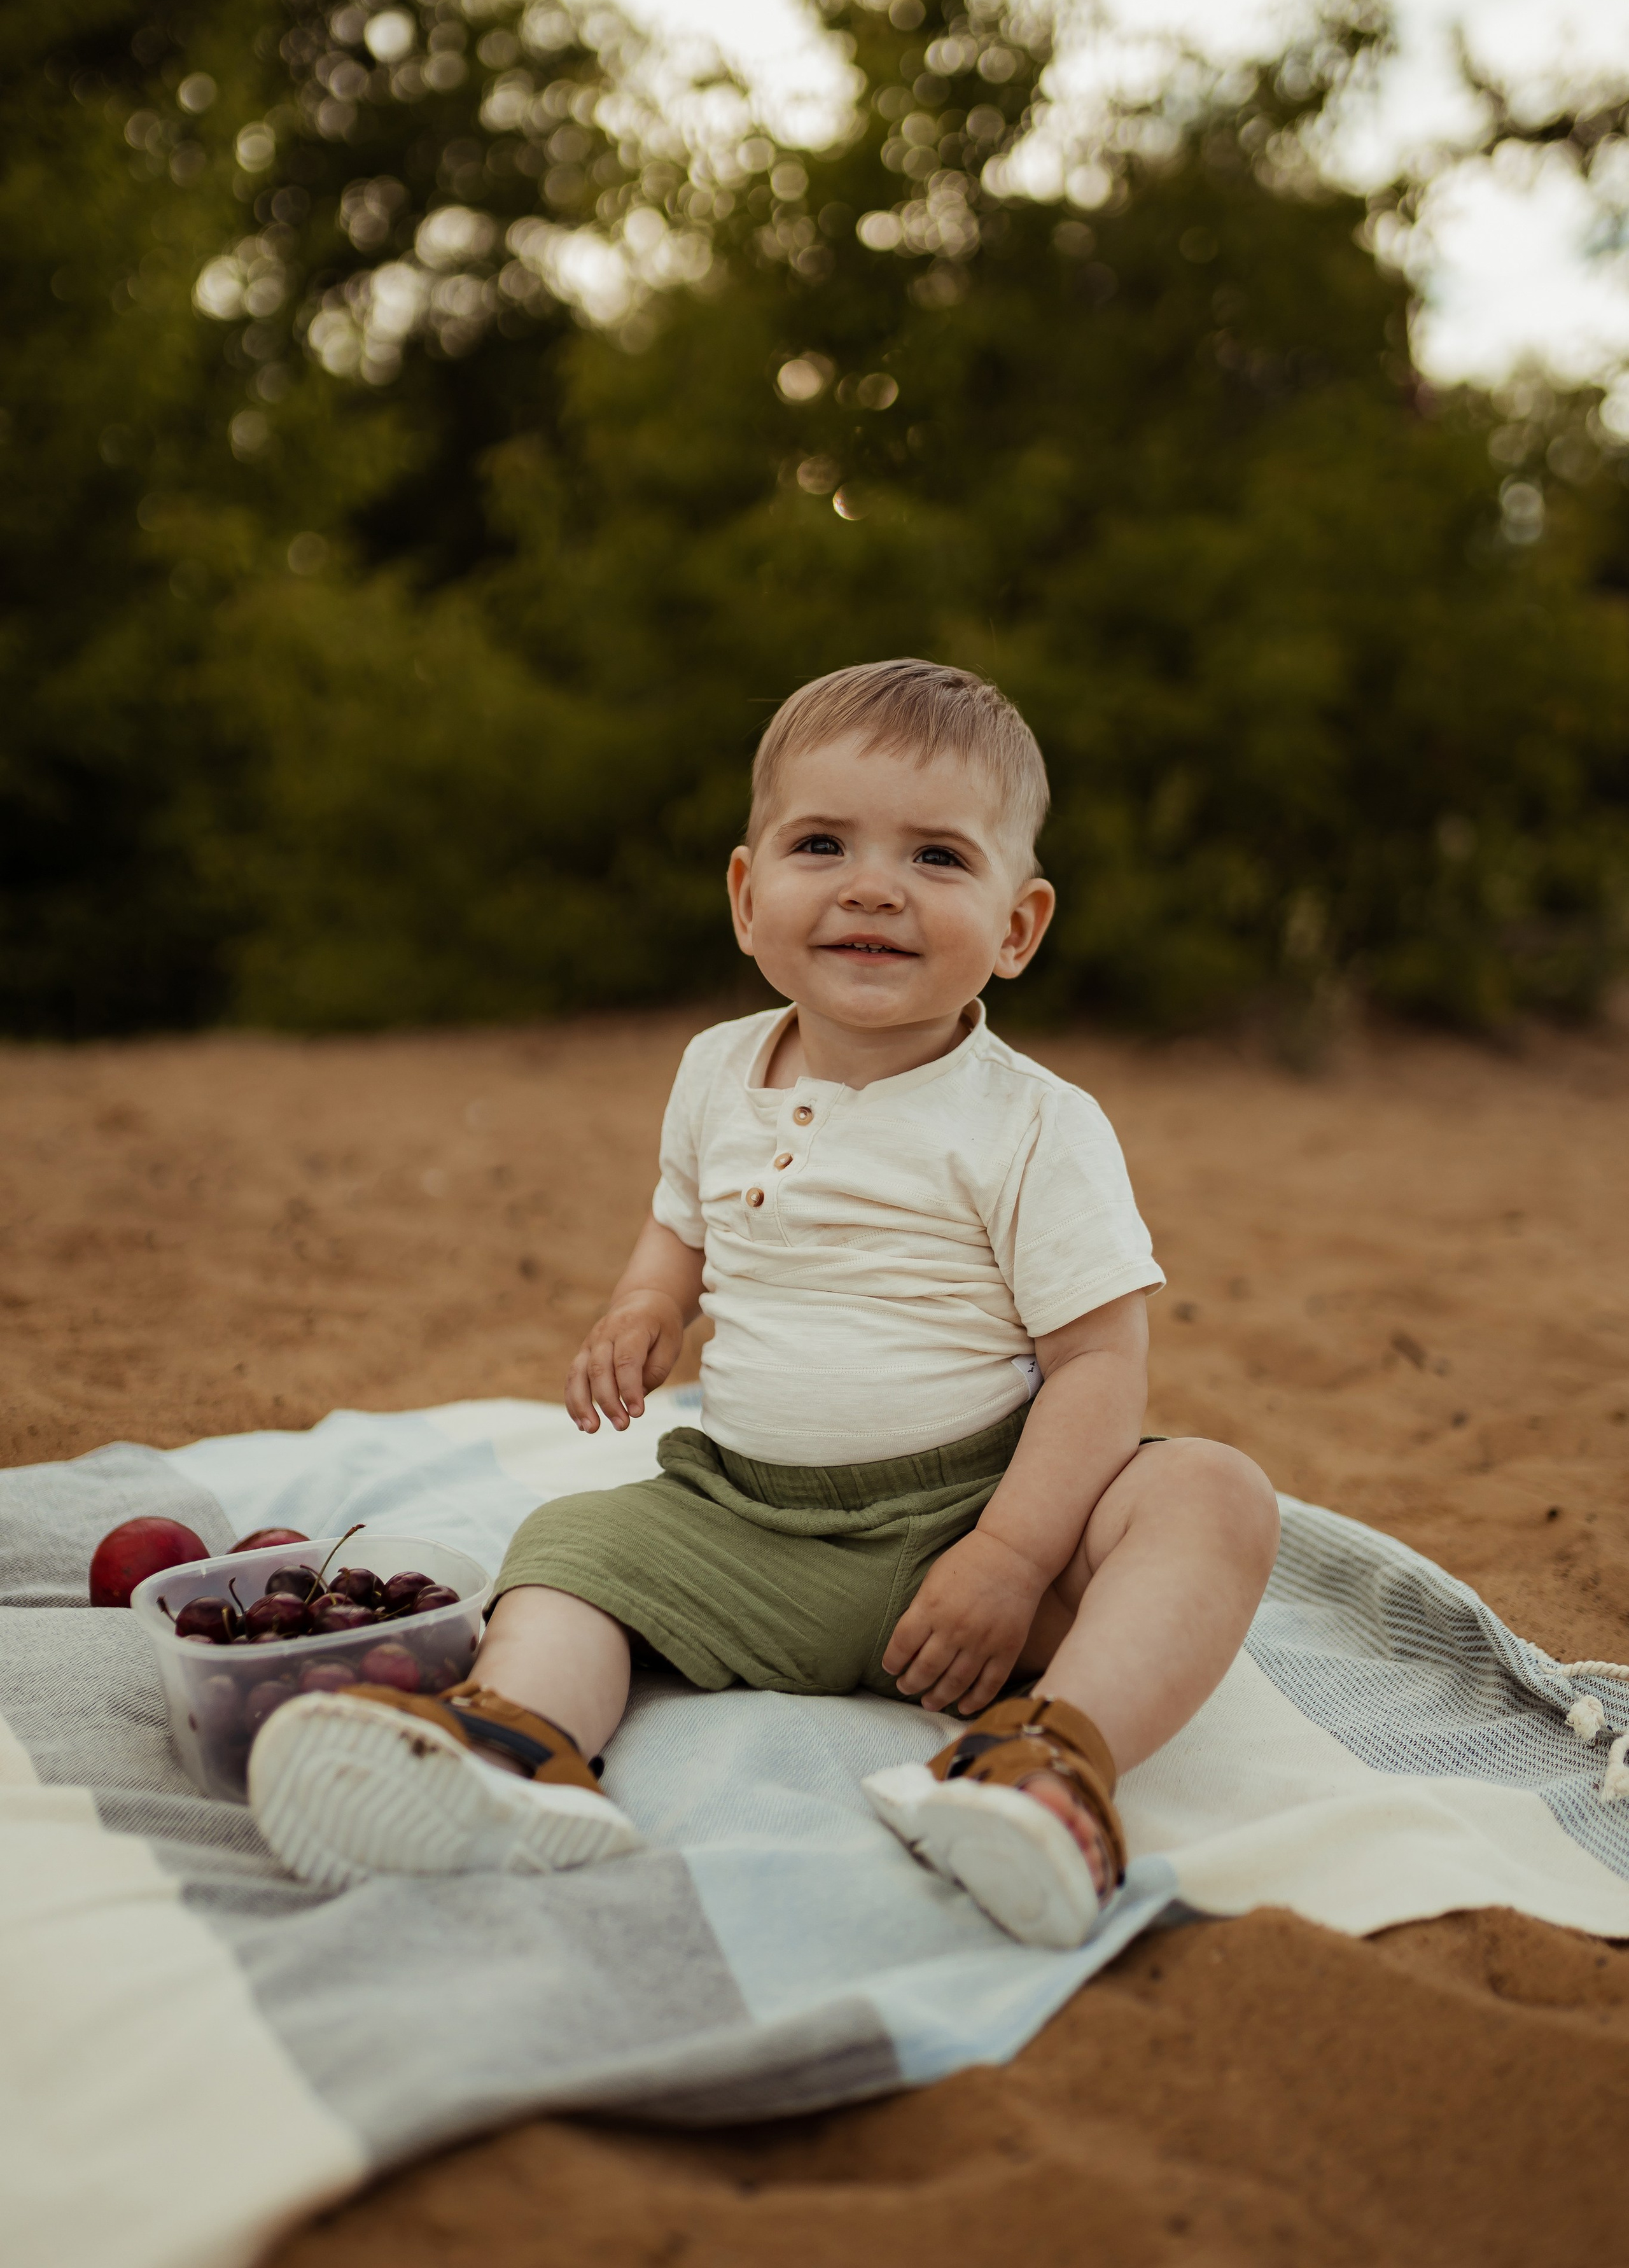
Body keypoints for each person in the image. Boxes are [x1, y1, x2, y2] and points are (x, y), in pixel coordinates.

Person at [251, 659, 1280, 1947]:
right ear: (747, 896)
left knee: (1208, 1494)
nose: (871, 885)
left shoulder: (1032, 1124)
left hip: (975, 1518)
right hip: (745, 1520)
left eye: (936, 858)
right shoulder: (714, 1069)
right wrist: (642, 1306)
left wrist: (1011, 1561)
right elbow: (681, 1215)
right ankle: (509, 1750)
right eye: (820, 842)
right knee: (569, 1553)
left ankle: (1048, 1762)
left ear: (1016, 928)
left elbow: (1095, 1361)